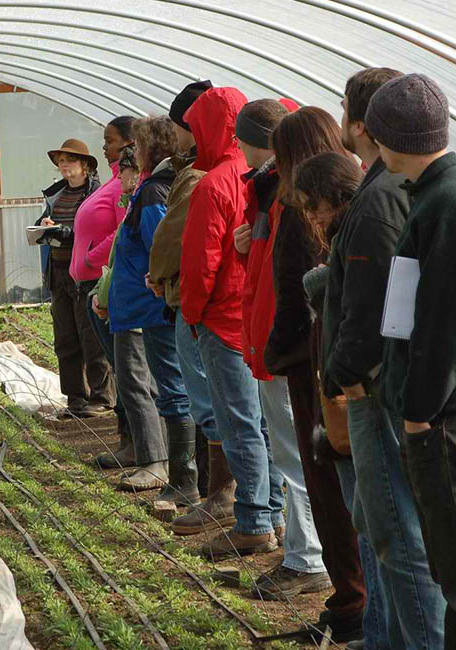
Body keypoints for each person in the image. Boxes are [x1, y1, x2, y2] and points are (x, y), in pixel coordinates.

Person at [370, 73, 456, 650]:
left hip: (450, 417)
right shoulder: (439, 194)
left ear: (391, 140)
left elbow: (451, 317)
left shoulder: (449, 203)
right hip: (449, 412)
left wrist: (421, 408)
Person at [323, 67, 446, 650]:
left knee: (399, 535)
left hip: (376, 390)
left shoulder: (379, 200)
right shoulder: (388, 190)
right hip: (380, 385)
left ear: (365, 124)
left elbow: (370, 304)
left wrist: (347, 377)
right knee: (387, 531)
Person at [233, 102, 337, 606]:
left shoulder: (299, 207)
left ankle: (308, 557)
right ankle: (306, 549)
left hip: (292, 351)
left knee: (299, 455)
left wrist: (275, 347)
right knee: (296, 452)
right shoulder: (285, 200)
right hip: (283, 345)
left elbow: (295, 290)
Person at [178, 86, 281, 557]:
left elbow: (201, 263)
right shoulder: (259, 176)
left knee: (237, 424)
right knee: (263, 424)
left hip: (222, 320)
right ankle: (273, 511)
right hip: (254, 317)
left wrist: (193, 315)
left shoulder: (214, 184)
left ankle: (254, 520)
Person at [297, 152, 385, 650]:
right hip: (345, 392)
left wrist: (345, 378)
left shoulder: (364, 228)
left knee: (378, 524)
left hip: (362, 398)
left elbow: (363, 315)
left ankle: (379, 629)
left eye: (315, 207)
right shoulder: (349, 232)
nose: (312, 219)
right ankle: (375, 627)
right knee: (366, 517)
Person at [106, 116, 193, 492]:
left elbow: (162, 244)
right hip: (137, 305)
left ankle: (159, 465)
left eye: (138, 146)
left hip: (147, 306)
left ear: (154, 148)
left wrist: (153, 283)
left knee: (146, 384)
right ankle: (159, 462)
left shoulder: (155, 192)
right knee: (141, 382)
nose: (133, 153)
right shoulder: (151, 188)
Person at [147, 79, 215, 517]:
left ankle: (200, 487)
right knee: (206, 402)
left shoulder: (197, 177)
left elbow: (176, 238)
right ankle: (209, 489)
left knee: (204, 402)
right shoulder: (191, 171)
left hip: (198, 306)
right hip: (185, 298)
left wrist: (161, 275)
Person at [69, 117, 134, 463]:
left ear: (128, 144)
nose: (103, 146)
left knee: (126, 368)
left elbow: (123, 228)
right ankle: (129, 440)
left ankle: (136, 443)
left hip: (103, 280)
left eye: (109, 140)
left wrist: (94, 257)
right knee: (119, 364)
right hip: (92, 281)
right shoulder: (113, 182)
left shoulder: (125, 185)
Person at [37, 139, 110, 418]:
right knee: (65, 336)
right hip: (58, 271)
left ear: (85, 166)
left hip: (85, 273)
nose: (64, 165)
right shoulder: (56, 195)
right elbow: (47, 220)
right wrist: (44, 226)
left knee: (90, 335)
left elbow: (99, 228)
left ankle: (102, 397)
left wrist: (68, 232)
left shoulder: (97, 195)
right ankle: (76, 397)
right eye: (61, 161)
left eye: (70, 160)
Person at [89, 142, 141, 469]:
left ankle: (149, 456)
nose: (119, 175)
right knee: (128, 377)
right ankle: (136, 446)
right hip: (123, 303)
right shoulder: (135, 200)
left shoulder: (148, 199)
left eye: (123, 168)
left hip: (135, 308)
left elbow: (138, 256)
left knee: (137, 383)